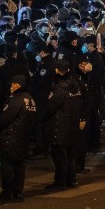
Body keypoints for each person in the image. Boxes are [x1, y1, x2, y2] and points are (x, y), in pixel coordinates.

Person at [43, 59, 86, 190]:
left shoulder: (60, 88)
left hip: (60, 125)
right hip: (73, 125)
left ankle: (60, 181)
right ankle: (71, 179)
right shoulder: (76, 85)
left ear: (57, 70)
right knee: (71, 154)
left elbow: (50, 107)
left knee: (60, 156)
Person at [0, 74, 36, 201]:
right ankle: (18, 191)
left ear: (17, 85)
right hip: (24, 137)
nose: (10, 88)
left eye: (12, 85)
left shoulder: (16, 99)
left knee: (7, 165)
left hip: (11, 137)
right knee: (20, 165)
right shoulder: (30, 99)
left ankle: (8, 191)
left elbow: (5, 118)